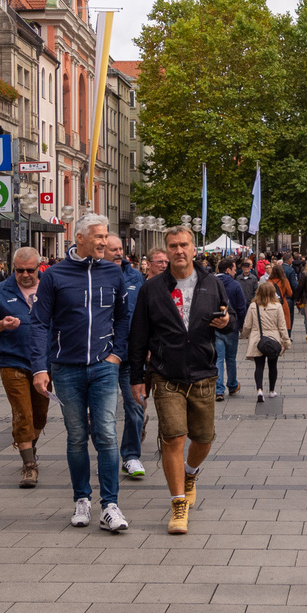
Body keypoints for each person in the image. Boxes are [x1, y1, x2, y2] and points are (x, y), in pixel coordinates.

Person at [30, 214, 131, 534]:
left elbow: (123, 318)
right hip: (66, 368)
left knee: (106, 433)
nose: (105, 242)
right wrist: (40, 367)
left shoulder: (112, 274)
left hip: (103, 367)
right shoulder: (55, 275)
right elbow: (39, 323)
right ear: (80, 238)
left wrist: (116, 354)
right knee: (76, 437)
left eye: (106, 237)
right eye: (99, 237)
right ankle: (81, 499)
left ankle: (110, 505)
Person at [127, 225, 230, 535]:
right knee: (172, 439)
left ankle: (190, 473)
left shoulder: (211, 283)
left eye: (184, 245)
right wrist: (137, 377)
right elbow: (138, 336)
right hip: (165, 373)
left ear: (194, 249)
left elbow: (230, 319)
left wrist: (225, 322)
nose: (179, 250)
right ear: (166, 250)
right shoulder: (152, 288)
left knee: (204, 438)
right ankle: (178, 503)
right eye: (173, 246)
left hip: (203, 372)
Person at [0, 247, 49, 488]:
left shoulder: (50, 288)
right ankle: (29, 465)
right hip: (12, 360)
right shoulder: (0, 291)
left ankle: (29, 446)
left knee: (40, 415)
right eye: (20, 270)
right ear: (12, 267)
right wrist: (1, 324)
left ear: (39, 267)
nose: (26, 275)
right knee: (23, 413)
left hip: (44, 363)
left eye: (31, 270)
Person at [99, 236, 149, 479]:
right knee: (101, 411)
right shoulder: (94, 275)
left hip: (130, 355)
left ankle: (130, 456)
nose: (119, 253)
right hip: (102, 356)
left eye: (120, 249)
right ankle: (106, 456)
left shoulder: (135, 277)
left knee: (135, 405)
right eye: (113, 249)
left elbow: (143, 314)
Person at [240, 279, 291, 401]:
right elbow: (282, 325)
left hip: (258, 338)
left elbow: (247, 325)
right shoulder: (277, 306)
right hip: (273, 337)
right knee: (273, 365)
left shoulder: (253, 306)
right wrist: (286, 340)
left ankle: (259, 390)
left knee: (259, 366)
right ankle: (272, 390)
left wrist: (244, 335)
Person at [215, 257, 249, 401]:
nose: (236, 272)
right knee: (231, 358)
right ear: (228, 270)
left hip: (215, 324)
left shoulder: (211, 283)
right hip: (232, 326)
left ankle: (219, 390)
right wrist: (241, 325)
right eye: (234, 269)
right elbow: (242, 307)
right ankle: (232, 385)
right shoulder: (235, 285)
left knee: (218, 358)